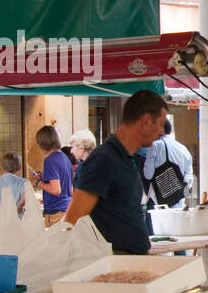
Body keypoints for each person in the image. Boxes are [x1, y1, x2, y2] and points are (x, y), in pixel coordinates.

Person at [64, 90, 168, 255]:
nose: (163, 132)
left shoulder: (128, 158)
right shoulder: (104, 159)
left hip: (131, 259)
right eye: (161, 123)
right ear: (146, 121)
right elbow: (74, 219)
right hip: (115, 261)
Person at [143, 119, 195, 208]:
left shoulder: (155, 146)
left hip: (158, 203)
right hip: (179, 203)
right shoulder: (184, 149)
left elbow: (148, 175)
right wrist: (177, 193)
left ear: (161, 130)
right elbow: (189, 180)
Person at [33, 125, 73, 227]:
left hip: (55, 213)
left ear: (43, 143)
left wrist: (38, 183)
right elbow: (69, 187)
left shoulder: (50, 160)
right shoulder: (65, 157)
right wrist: (45, 177)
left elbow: (56, 190)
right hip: (67, 210)